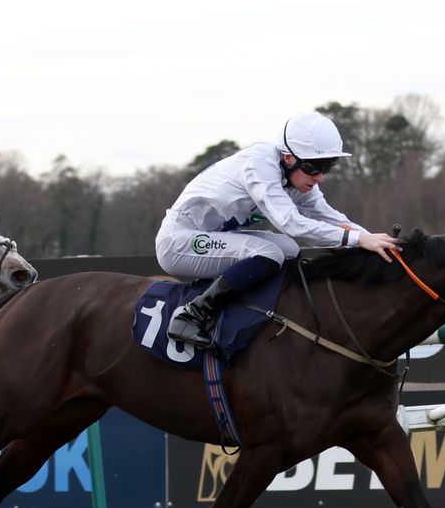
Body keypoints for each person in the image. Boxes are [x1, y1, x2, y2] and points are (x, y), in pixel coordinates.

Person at [156, 112, 400, 350]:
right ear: (289, 158)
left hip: (215, 237)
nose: (320, 177)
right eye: (315, 167)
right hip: (178, 241)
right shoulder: (260, 165)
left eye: (327, 166)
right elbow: (291, 224)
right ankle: (191, 315)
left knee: (289, 250)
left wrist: (375, 240)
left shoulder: (295, 175)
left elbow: (329, 216)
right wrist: (357, 240)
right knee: (269, 253)